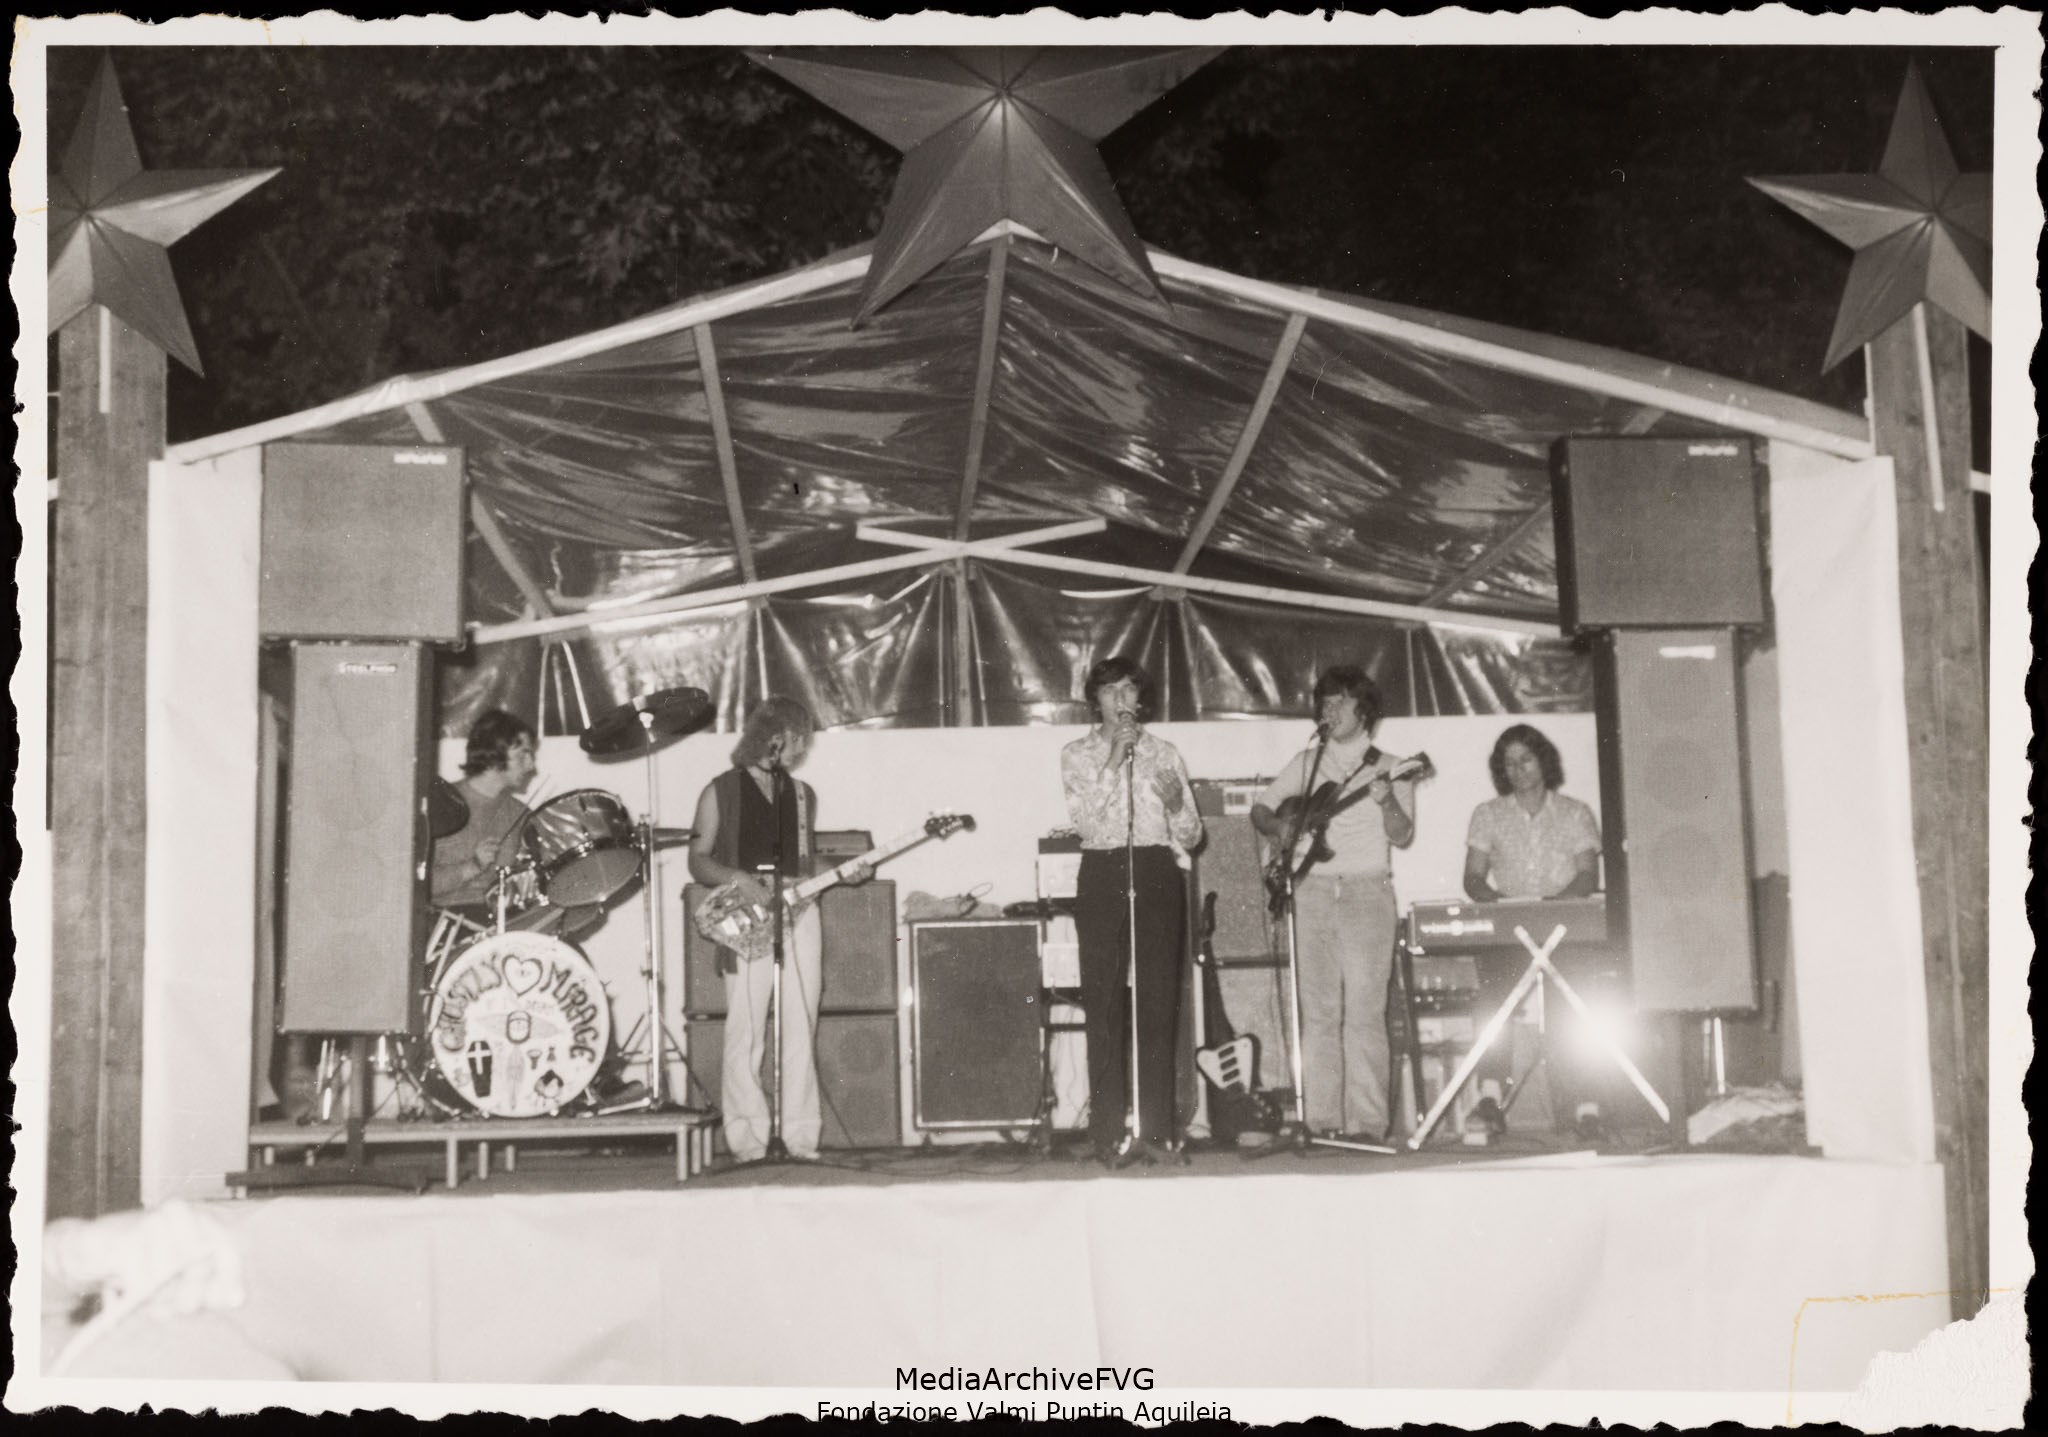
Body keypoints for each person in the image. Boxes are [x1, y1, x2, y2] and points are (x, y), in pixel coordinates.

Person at [688, 697, 867, 1163]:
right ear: (774, 736)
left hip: (800, 915)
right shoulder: (719, 791)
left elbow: (804, 865)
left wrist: (844, 870)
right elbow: (698, 859)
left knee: (801, 1024)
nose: (802, 748)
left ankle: (800, 1136)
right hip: (747, 920)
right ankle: (748, 1139)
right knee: (746, 1030)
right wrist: (737, 878)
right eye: (798, 738)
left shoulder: (803, 795)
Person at [1251, 665, 1417, 1143]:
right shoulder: (1307, 762)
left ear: (1364, 709)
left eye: (1339, 700)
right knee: (1319, 1011)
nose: (1329, 708)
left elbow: (1402, 835)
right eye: (1324, 701)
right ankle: (1321, 1121)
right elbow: (1261, 807)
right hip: (1312, 890)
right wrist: (1279, 828)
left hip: (1366, 891)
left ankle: (1367, 1124)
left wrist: (1386, 801)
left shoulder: (1394, 765)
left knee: (1365, 1011)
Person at [1060, 657, 1203, 1165]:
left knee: (1157, 1003)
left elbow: (1192, 837)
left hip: (1156, 868)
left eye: (1129, 690)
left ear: (1140, 700)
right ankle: (1106, 1134)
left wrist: (1177, 805)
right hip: (1102, 871)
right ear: (1095, 700)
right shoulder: (1076, 754)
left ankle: (1157, 1131)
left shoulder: (1165, 752)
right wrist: (1113, 759)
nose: (1121, 700)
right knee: (1103, 1003)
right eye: (1110, 691)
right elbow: (1084, 823)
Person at [1461, 722, 1603, 1138]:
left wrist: (1555, 909)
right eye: (1509, 763)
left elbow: (1587, 875)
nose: (1518, 769)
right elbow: (1473, 878)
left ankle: (1586, 1106)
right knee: (1492, 1002)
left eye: (1526, 759)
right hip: (1512, 930)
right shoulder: (1487, 814)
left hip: (1564, 928)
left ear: (1543, 761)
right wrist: (1497, 906)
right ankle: (1489, 1098)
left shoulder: (1575, 812)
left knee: (1575, 1004)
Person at [430, 709, 541, 913]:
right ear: (493, 756)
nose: (531, 765)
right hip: (445, 920)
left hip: (503, 920)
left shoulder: (521, 814)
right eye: (522, 754)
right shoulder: (440, 803)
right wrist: (471, 866)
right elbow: (412, 883)